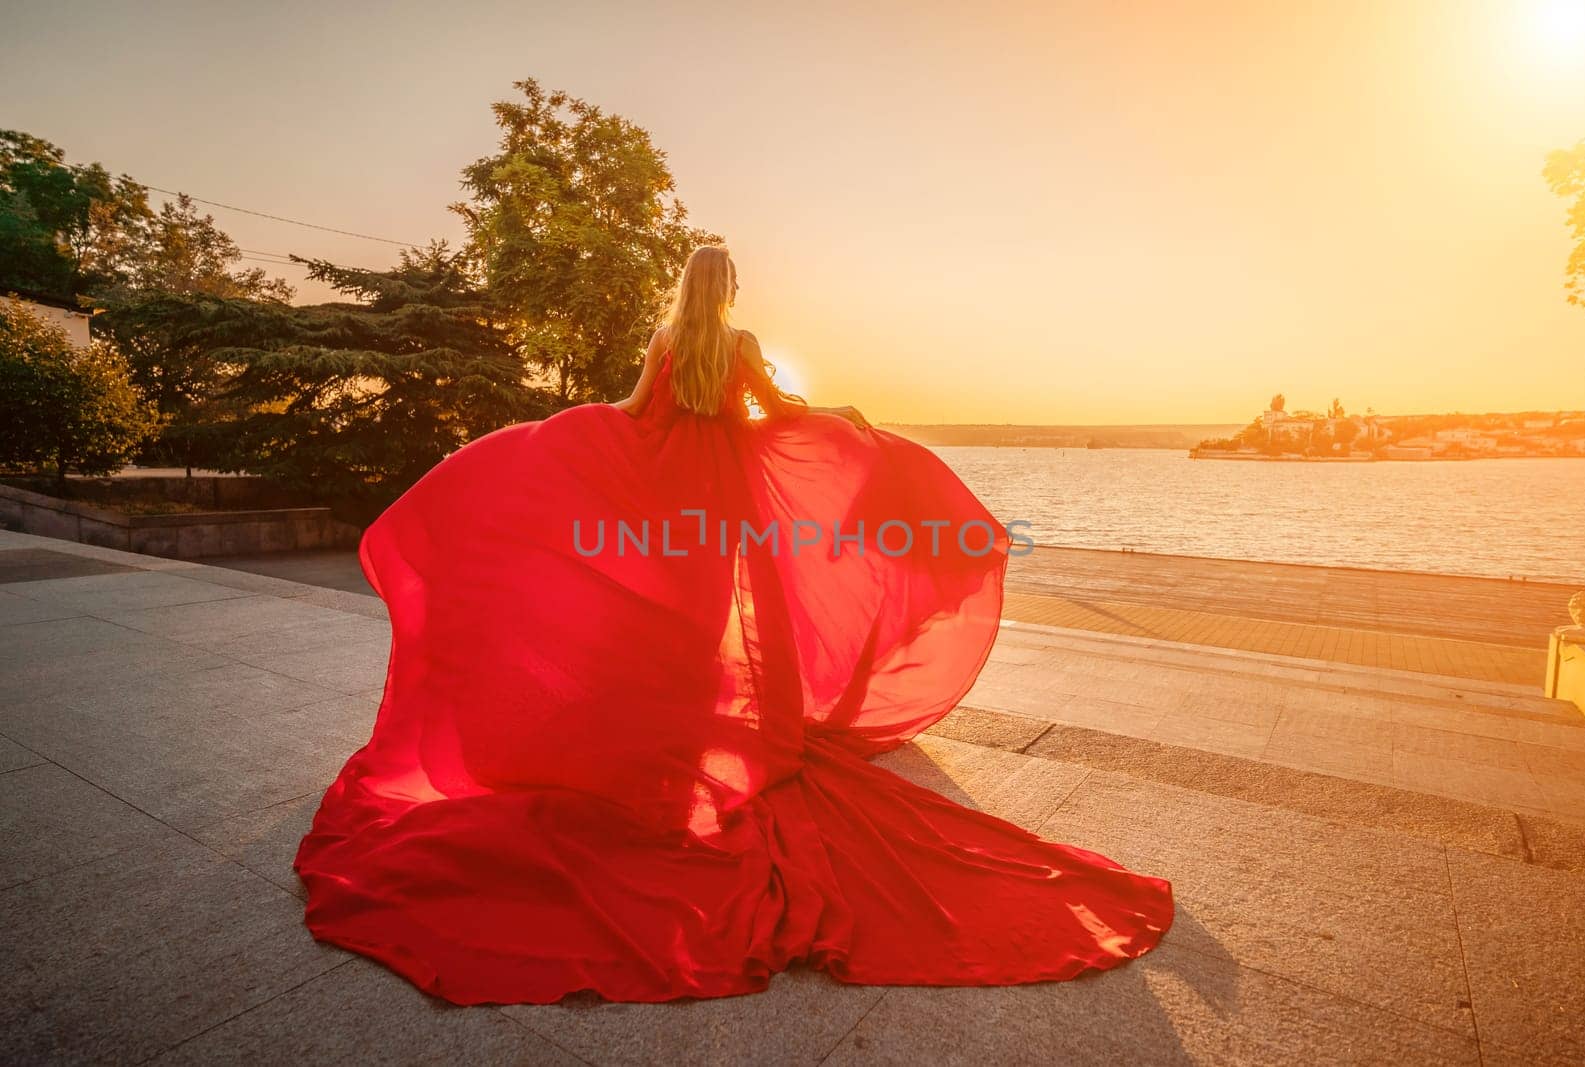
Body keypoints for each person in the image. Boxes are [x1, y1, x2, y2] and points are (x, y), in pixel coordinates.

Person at [294, 244, 1173, 1005]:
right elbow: (776, 415)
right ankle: (707, 740)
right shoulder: (739, 344)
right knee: (722, 619)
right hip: (724, 495)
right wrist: (843, 421)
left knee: (673, 623)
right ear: (728, 287)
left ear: (686, 285)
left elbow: (639, 413)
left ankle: (674, 741)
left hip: (666, 489)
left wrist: (561, 435)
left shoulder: (668, 341)